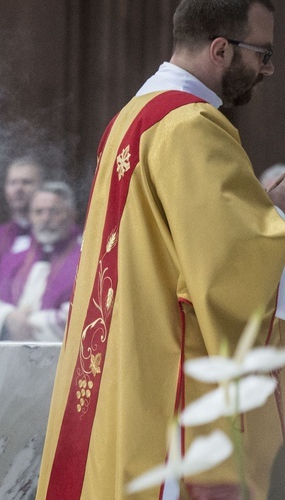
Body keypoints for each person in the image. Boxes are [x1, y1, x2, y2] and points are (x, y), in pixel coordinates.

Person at [37, 1, 285, 498]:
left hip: (127, 361)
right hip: (170, 375)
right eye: (263, 53)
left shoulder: (132, 119)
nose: (269, 69)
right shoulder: (190, 128)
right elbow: (232, 270)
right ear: (221, 49)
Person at [0, 182, 80, 341]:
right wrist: (8, 317)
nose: (45, 218)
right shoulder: (14, 259)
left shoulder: (85, 261)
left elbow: (85, 314)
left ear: (71, 215)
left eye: (54, 211)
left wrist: (31, 326)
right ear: (30, 217)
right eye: (38, 212)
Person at [0, 157, 45, 261]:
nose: (18, 189)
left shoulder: (57, 235)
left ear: (41, 187)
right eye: (12, 183)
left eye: (26, 182)